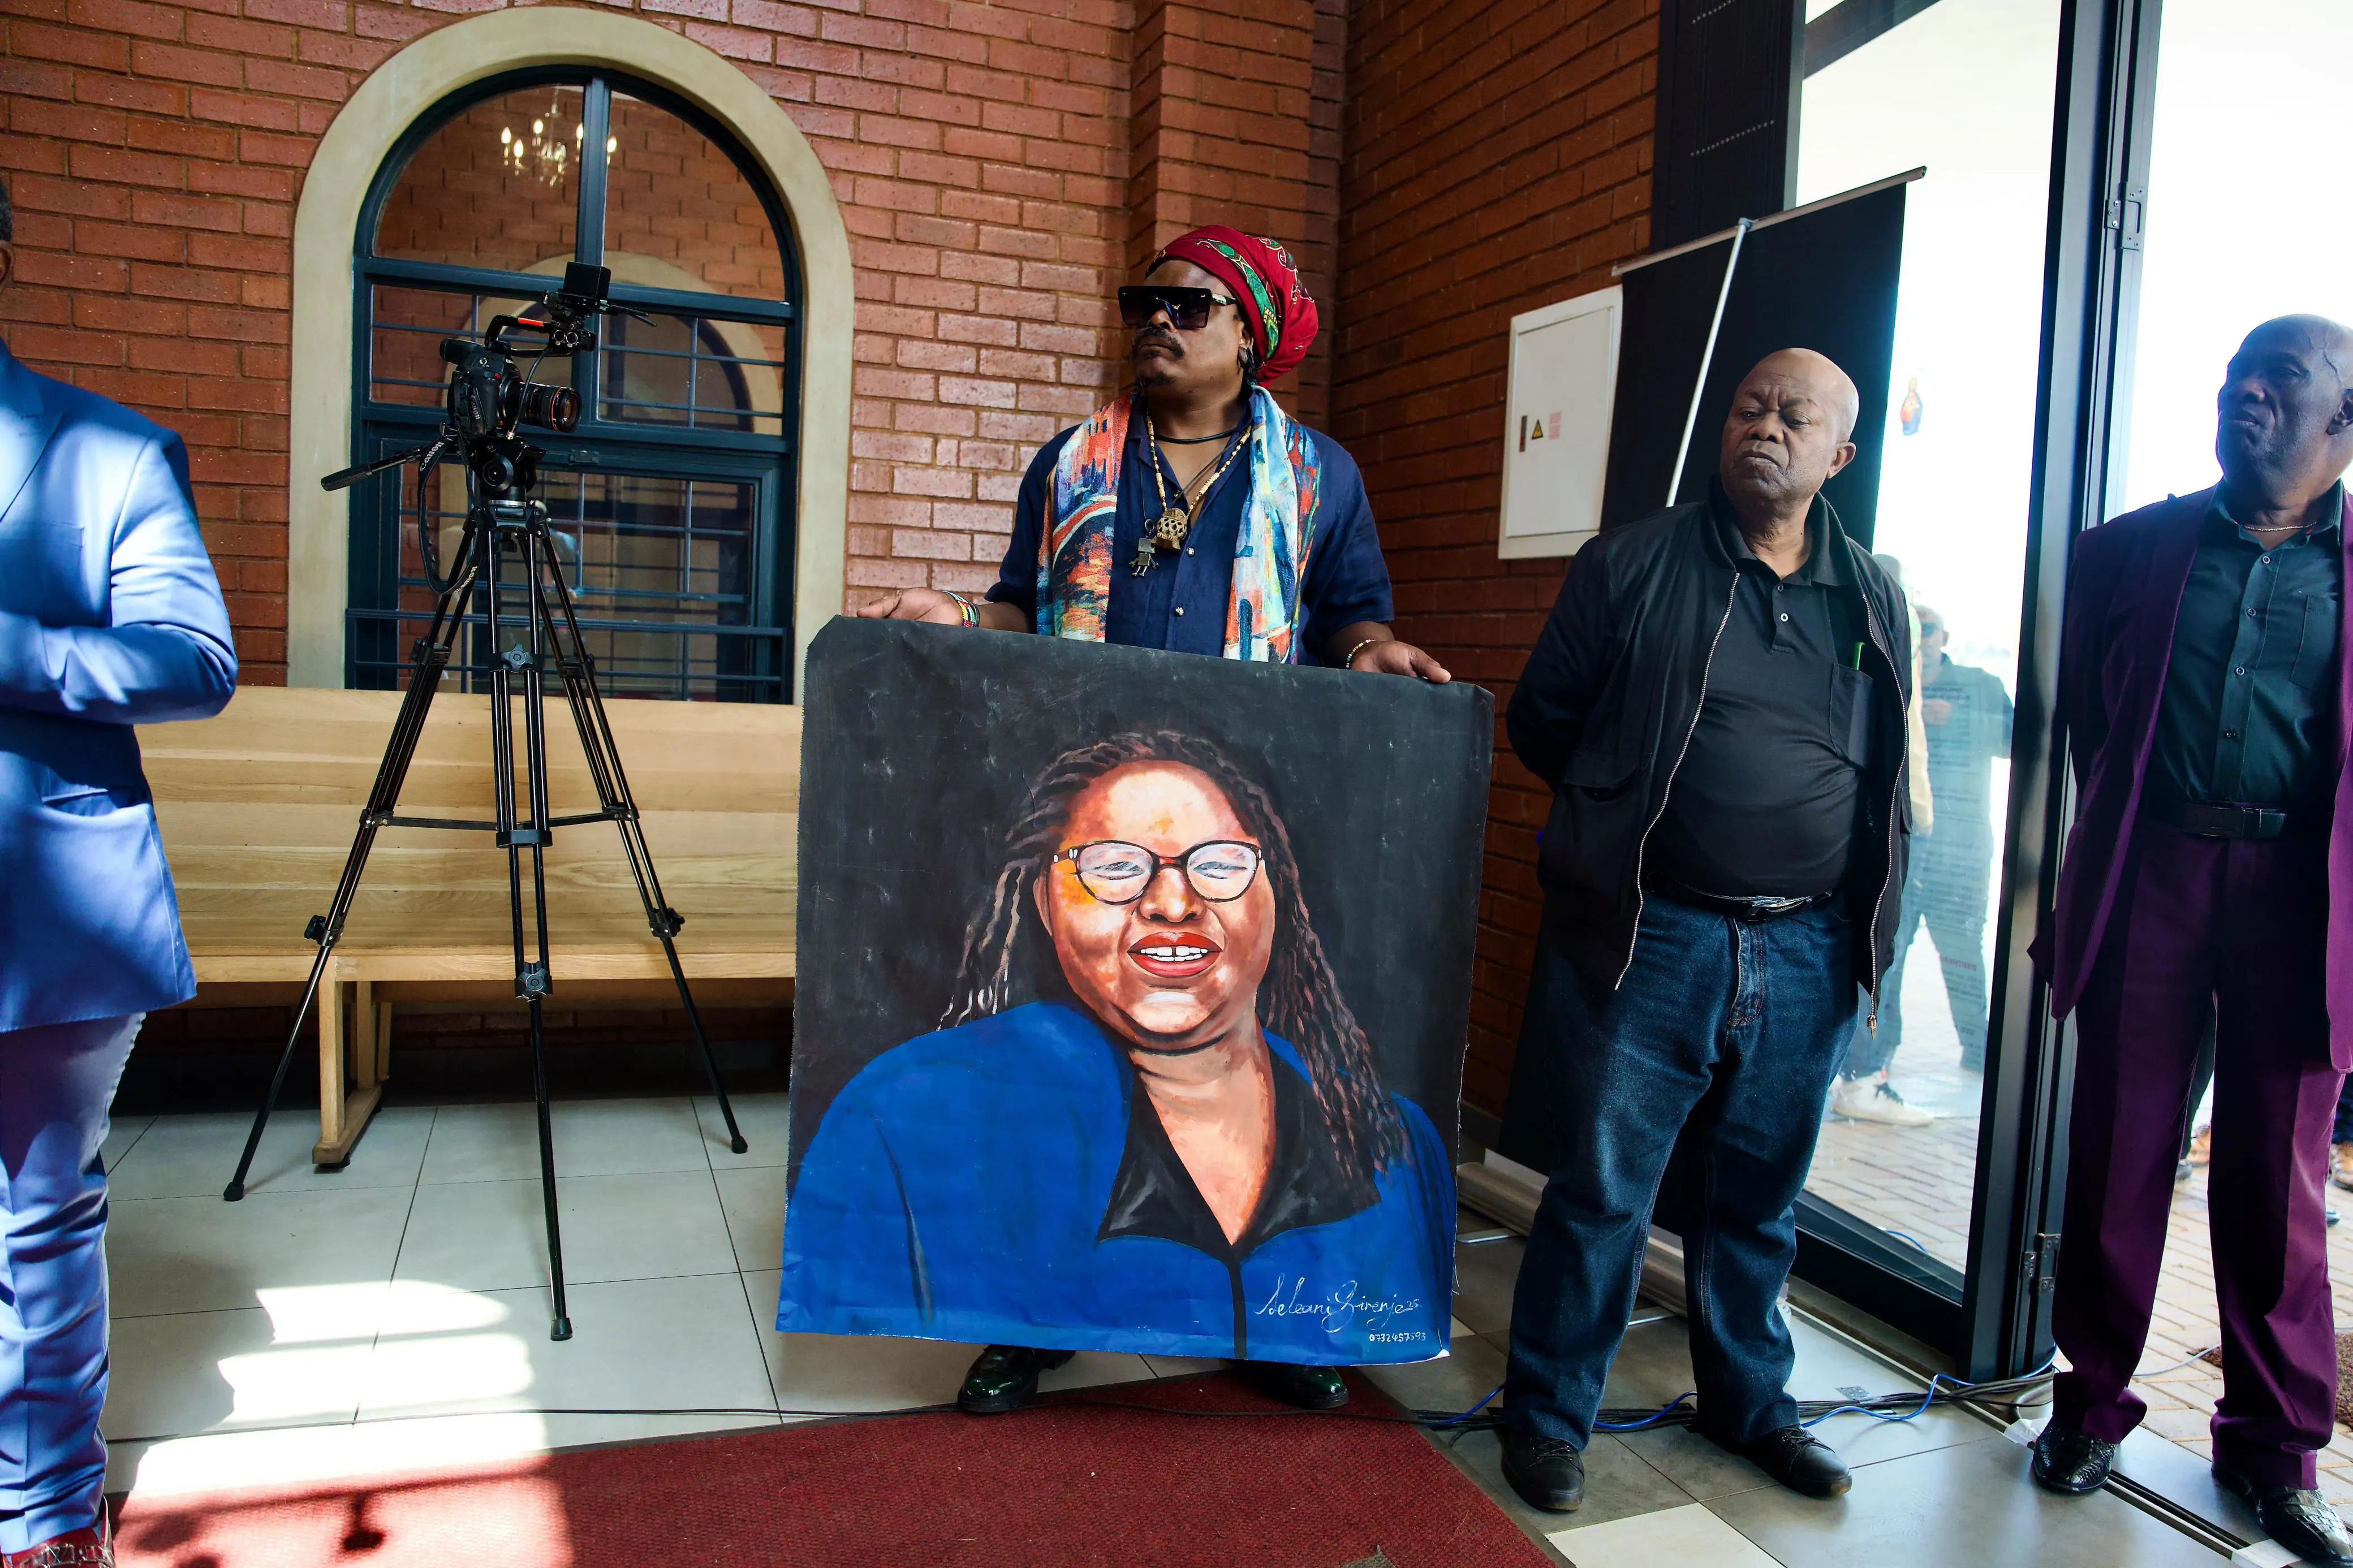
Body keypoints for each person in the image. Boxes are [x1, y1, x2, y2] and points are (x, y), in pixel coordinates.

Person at [856, 224, 1447, 1414]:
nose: (1155, 323)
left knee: (1248, 1071)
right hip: (1095, 816)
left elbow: (1350, 614)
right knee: (1067, 1057)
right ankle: (1034, 1317)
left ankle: (1273, 1322)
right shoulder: (1073, 461)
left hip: (1235, 819)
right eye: (1144, 302)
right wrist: (958, 615)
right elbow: (1026, 603)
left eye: (1187, 307)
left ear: (1252, 337)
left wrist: (1374, 647)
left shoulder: (1320, 477)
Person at [1495, 349, 1914, 1511]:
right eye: (1746, 404)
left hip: (1806, 946)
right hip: (1652, 934)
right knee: (1602, 1192)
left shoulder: (1871, 593)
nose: (1762, 425)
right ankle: (1546, 1418)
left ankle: (1747, 1407)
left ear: (1840, 454)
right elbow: (1543, 723)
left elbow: (1887, 768)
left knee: (1758, 1201)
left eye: (1795, 414)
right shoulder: (1629, 564)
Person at [780, 733, 1454, 1369]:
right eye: (1114, 866)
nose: (1170, 903)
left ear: (1275, 896)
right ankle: (1022, 1342)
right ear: (1045, 902)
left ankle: (1296, 1341)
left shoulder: (1392, 1143)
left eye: (1219, 863)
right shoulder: (903, 1121)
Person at [2030, 316, 2353, 1568]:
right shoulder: (2128, 551)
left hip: (2299, 888)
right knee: (2116, 1148)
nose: (2246, 398)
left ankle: (2275, 1452)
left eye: (2281, 383)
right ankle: (2089, 1408)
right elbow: (2081, 724)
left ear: (2342, 421)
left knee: (2279, 1180)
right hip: (2154, 866)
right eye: (2234, 380)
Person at [0, 176, 238, 1568]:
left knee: (34, 1224)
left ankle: (41, 1515)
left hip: (47, 913)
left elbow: (190, 660)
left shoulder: (107, 456)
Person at [1830, 603, 2011, 1123]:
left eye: (1927, 629)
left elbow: (2018, 738)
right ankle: (1869, 1071)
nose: (1922, 639)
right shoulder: (1886, 676)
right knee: (1892, 954)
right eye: (1914, 630)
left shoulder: (1975, 684)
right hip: (1907, 837)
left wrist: (1963, 719)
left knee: (1962, 951)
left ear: (1943, 635)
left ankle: (1979, 1049)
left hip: (1959, 846)